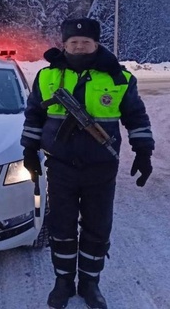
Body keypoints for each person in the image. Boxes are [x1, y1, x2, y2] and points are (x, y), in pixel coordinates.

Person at [21, 18, 154, 309]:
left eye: (86, 42)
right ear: (64, 44)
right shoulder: (47, 77)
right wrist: (29, 149)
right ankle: (63, 282)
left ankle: (90, 284)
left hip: (101, 167)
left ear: (96, 44)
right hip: (61, 166)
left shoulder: (118, 78)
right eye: (73, 42)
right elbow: (34, 115)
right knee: (61, 226)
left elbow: (136, 117)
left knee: (97, 227)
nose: (79, 47)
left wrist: (143, 151)